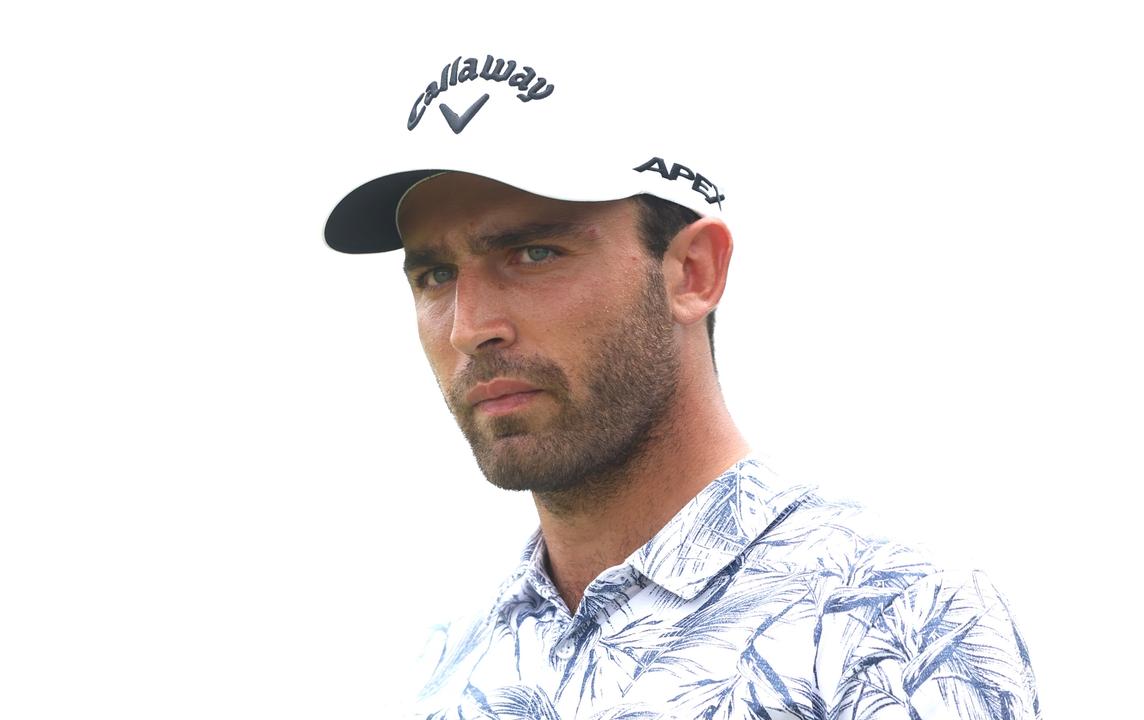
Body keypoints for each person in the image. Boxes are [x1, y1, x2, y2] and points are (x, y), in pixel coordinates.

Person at [323, 52, 1040, 719]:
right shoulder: (441, 665)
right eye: (434, 276)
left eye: (533, 252)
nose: (468, 327)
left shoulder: (896, 619)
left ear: (692, 272)